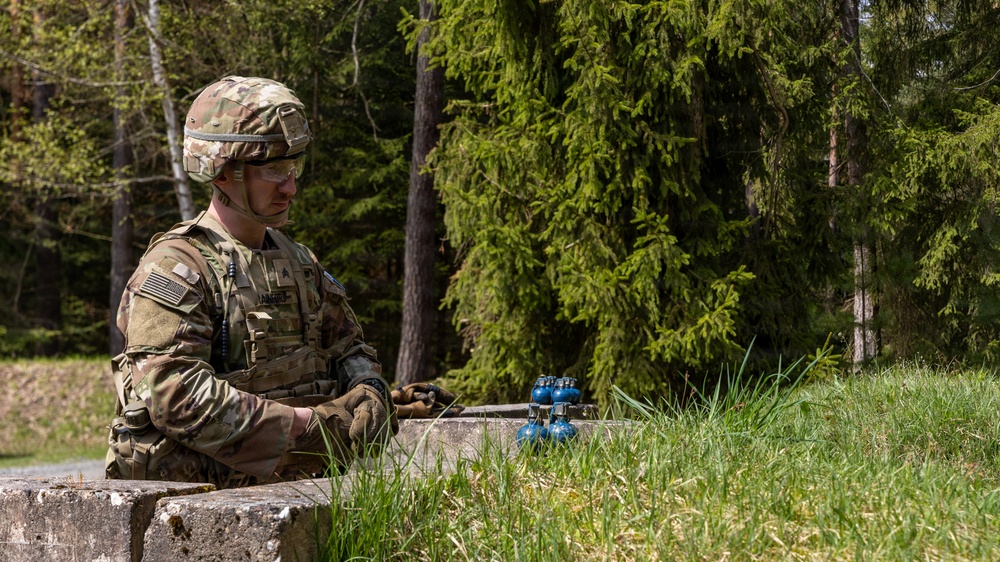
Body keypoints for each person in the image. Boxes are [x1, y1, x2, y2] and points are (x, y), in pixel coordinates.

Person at [105, 76, 397, 488]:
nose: (291, 187)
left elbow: (348, 347)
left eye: (294, 167)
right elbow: (174, 393)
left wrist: (368, 389)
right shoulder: (176, 268)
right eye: (275, 169)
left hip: (300, 489)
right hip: (202, 501)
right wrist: (306, 426)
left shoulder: (300, 262)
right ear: (222, 170)